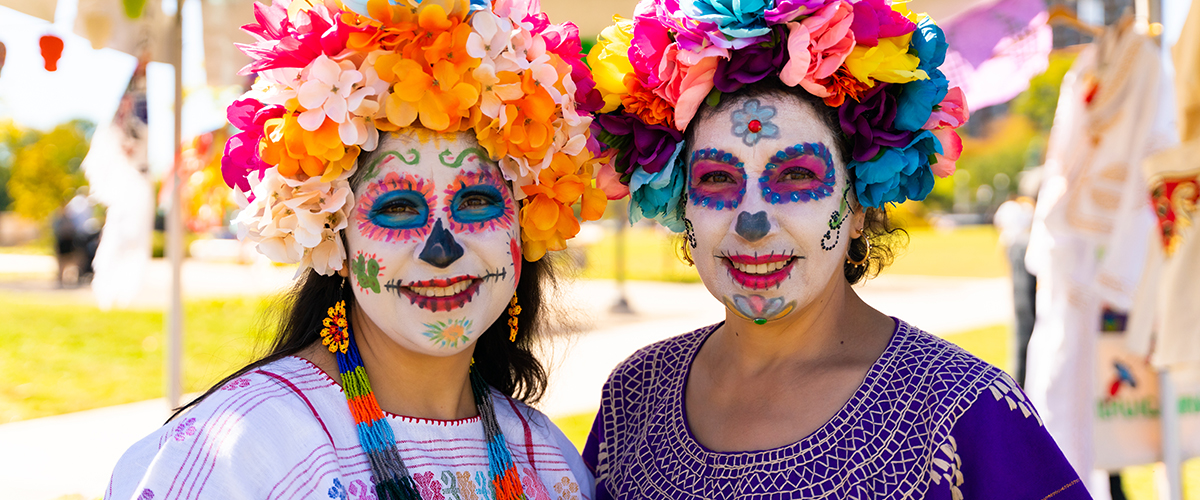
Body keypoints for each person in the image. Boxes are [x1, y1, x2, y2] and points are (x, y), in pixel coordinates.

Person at [580, 0, 1090, 497]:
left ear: (862, 200)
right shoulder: (634, 397)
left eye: (796, 175)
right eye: (716, 178)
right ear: (679, 201)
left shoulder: (964, 410)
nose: (752, 222)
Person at [106, 0, 607, 498]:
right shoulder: (246, 451)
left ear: (524, 224)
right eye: (397, 209)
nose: (442, 249)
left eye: (476, 201)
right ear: (333, 236)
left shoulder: (545, 457)